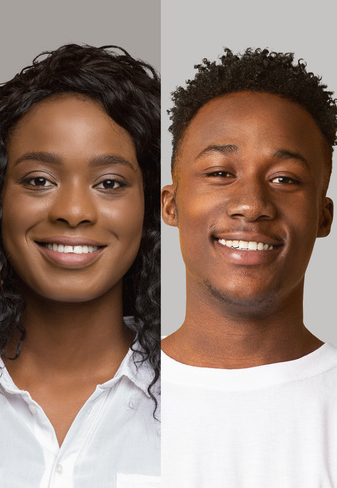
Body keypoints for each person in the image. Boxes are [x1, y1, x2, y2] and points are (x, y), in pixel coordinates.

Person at [0, 44, 162, 487]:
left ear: (151, 207)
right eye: (40, 180)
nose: (74, 210)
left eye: (110, 183)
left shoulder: (203, 400)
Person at [159, 47, 337, 486]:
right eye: (220, 172)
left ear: (323, 217)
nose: (252, 204)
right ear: (171, 204)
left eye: (285, 179)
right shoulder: (102, 394)